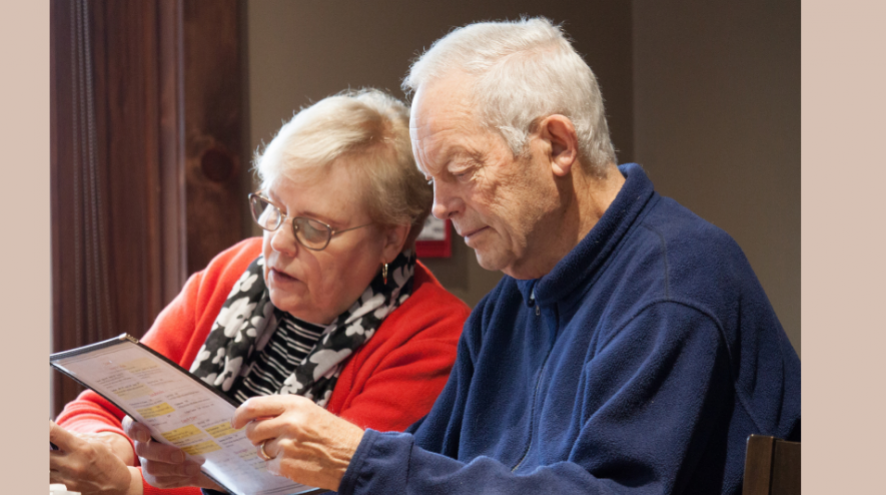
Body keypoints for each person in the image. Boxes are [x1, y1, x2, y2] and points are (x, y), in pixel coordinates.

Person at [223, 17, 801, 495]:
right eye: (431, 181)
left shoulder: (677, 285)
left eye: (460, 172)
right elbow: (426, 467)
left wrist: (359, 460)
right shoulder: (506, 304)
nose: (440, 208)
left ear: (557, 145)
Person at [49, 88, 471, 495]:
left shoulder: (433, 336)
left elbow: (324, 488)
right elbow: (99, 406)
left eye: (313, 228)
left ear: (390, 240)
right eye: (274, 208)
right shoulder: (238, 268)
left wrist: (129, 486)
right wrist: (108, 448)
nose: (279, 243)